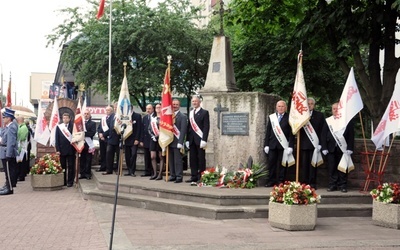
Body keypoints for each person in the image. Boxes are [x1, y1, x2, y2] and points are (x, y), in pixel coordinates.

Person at [321, 102, 355, 193]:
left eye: (337, 109)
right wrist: (324, 147)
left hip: (343, 149)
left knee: (343, 167)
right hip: (330, 148)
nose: (335, 110)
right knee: (331, 168)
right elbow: (323, 135)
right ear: (332, 110)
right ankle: (332, 185)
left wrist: (350, 148)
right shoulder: (328, 120)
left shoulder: (347, 121)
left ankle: (343, 185)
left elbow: (351, 135)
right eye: (334, 109)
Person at [264, 100, 295, 187]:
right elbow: (268, 132)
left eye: (282, 106)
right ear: (276, 107)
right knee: (271, 164)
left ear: (285, 108)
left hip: (284, 145)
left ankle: (281, 181)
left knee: (283, 164)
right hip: (272, 145)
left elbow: (291, 133)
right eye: (279, 106)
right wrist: (266, 145)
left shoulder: (289, 118)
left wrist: (291, 146)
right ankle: (271, 181)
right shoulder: (272, 117)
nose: (281, 108)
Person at [299, 97, 325, 189]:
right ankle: (304, 182)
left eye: (311, 104)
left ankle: (312, 183)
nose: (309, 105)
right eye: (308, 104)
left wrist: (321, 144)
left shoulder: (320, 115)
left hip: (315, 145)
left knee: (313, 165)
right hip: (304, 144)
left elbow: (322, 131)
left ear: (314, 105)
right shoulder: (301, 115)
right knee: (304, 165)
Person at [186, 95, 210, 183]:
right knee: (192, 159)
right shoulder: (191, 112)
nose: (194, 103)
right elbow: (189, 127)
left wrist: (204, 139)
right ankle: (194, 176)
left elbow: (206, 127)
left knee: (201, 159)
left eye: (196, 101)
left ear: (199, 102)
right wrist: (187, 140)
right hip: (192, 140)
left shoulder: (204, 112)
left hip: (200, 140)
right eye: (193, 101)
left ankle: (201, 176)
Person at [168, 99, 188, 183]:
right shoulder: (168, 116)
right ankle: (172, 175)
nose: (175, 106)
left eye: (176, 104)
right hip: (169, 141)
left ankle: (179, 176)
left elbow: (183, 130)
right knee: (171, 160)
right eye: (173, 104)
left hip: (177, 141)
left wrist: (180, 142)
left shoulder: (183, 116)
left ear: (179, 106)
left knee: (178, 160)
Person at [0, 108, 18, 195]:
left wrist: (8, 155)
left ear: (9, 118)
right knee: (7, 172)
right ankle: (7, 186)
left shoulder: (11, 128)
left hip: (7, 152)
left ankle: (9, 188)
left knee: (9, 171)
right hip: (4, 151)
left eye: (5, 117)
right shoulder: (8, 127)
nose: (3, 119)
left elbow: (11, 142)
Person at [55, 113, 76, 187]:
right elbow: (57, 139)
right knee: (63, 166)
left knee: (71, 166)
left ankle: (70, 181)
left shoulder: (73, 127)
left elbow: (75, 137)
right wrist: (58, 149)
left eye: (66, 118)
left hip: (71, 149)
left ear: (69, 119)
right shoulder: (59, 127)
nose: (65, 119)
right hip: (62, 149)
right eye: (64, 118)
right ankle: (63, 181)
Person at [123, 106, 142, 177]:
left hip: (134, 139)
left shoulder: (137, 116)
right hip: (127, 139)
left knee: (133, 155)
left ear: (131, 108)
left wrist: (137, 139)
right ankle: (129, 170)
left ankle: (132, 171)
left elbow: (139, 128)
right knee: (127, 156)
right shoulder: (124, 117)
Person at [79, 109, 97, 180]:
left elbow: (92, 133)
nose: (86, 115)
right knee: (82, 160)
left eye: (87, 114)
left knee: (88, 160)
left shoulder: (93, 123)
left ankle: (87, 174)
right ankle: (82, 173)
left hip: (89, 144)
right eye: (85, 114)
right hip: (81, 144)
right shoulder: (80, 123)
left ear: (89, 115)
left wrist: (83, 133)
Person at [149, 103, 164, 180]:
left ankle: (160, 174)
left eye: (159, 107)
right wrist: (152, 135)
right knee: (152, 156)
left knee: (161, 156)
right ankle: (155, 173)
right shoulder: (153, 117)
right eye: (157, 107)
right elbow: (149, 128)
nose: (158, 108)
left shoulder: (164, 117)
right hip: (153, 139)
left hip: (161, 139)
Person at [102, 105, 120, 175]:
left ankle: (118, 170)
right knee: (109, 154)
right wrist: (104, 134)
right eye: (115, 107)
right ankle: (109, 170)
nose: (115, 109)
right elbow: (109, 127)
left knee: (118, 155)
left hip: (118, 138)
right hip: (111, 138)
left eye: (116, 107)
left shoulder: (121, 116)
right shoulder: (112, 116)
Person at [140, 104, 154, 177]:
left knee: (153, 156)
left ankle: (153, 171)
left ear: (153, 109)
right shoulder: (145, 118)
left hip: (153, 139)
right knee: (146, 156)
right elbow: (142, 129)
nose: (148, 110)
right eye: (147, 109)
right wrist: (141, 140)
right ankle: (147, 171)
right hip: (146, 139)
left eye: (149, 108)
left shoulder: (155, 117)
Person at [96, 107, 112, 172]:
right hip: (101, 139)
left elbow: (111, 128)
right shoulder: (103, 118)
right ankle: (102, 167)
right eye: (106, 110)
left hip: (108, 138)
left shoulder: (113, 118)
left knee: (108, 154)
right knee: (102, 153)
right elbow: (99, 127)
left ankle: (107, 168)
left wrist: (104, 135)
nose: (107, 111)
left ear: (111, 111)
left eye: (109, 110)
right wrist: (100, 133)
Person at [16, 116, 29, 182]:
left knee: (21, 163)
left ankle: (21, 176)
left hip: (22, 148)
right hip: (20, 148)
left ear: (19, 120)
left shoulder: (23, 128)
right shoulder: (21, 127)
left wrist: (17, 138)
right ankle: (20, 175)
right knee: (20, 163)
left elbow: (22, 137)